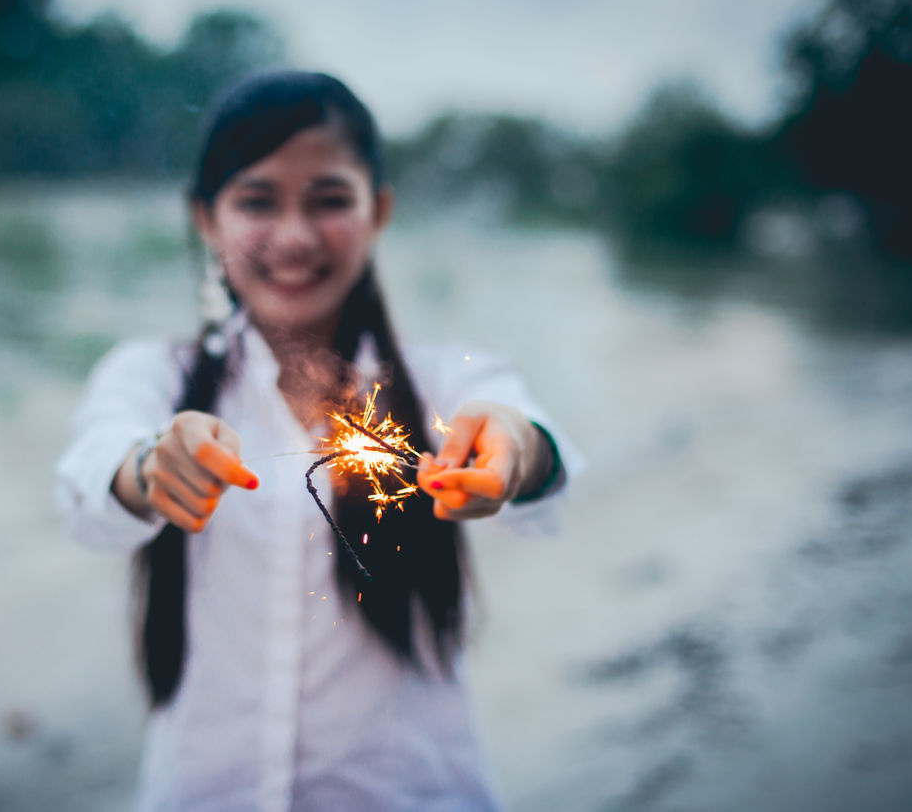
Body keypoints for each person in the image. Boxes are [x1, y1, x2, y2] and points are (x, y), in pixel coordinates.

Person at [55, 70, 583, 812]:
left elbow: (525, 432)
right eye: (257, 201)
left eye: (330, 200)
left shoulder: (437, 382)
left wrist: (514, 453)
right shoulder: (153, 378)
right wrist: (149, 469)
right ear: (205, 218)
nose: (295, 236)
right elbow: (89, 476)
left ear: (379, 211)